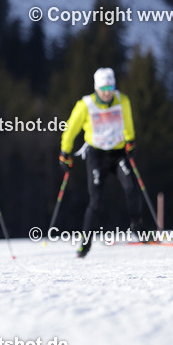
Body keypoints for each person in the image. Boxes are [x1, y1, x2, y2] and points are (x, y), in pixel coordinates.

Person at [59, 67, 153, 258]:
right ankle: (85, 243)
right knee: (96, 201)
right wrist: (65, 152)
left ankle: (137, 226)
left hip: (118, 153)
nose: (108, 92)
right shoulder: (85, 105)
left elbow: (128, 122)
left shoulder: (122, 100)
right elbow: (70, 129)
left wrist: (131, 140)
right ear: (96, 88)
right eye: (104, 88)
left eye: (110, 87)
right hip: (97, 155)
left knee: (131, 187)